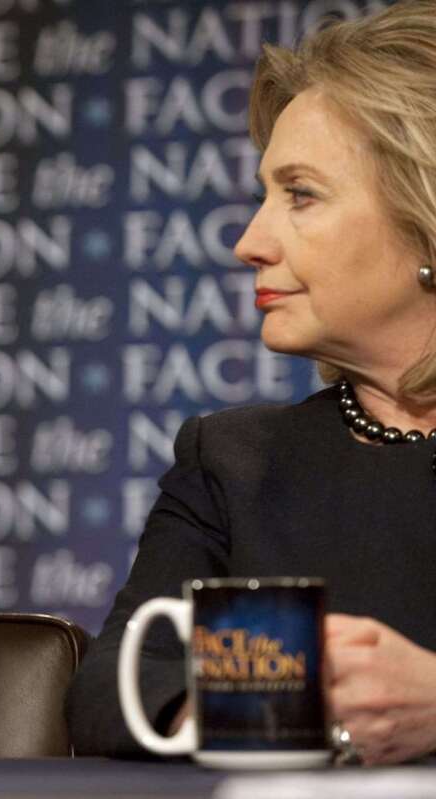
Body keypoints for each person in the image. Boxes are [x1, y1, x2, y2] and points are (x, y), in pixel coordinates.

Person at [68, 0, 436, 766]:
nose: (248, 242)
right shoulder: (237, 459)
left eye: (300, 194)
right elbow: (120, 688)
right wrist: (308, 705)